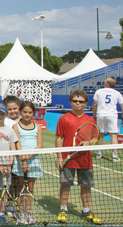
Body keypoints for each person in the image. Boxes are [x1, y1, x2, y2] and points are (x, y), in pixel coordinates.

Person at [55, 90, 102, 225]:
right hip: (67, 159)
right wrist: (59, 157)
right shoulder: (63, 118)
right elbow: (59, 137)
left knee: (86, 186)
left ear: (86, 103)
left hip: (85, 160)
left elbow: (96, 138)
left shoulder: (90, 120)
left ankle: (86, 211)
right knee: (65, 185)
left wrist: (89, 143)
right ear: (70, 102)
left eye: (81, 101)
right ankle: (63, 209)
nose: (78, 103)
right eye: (75, 101)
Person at [11, 101, 43, 225]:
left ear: (33, 113)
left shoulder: (38, 127)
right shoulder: (16, 126)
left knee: (30, 188)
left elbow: (39, 145)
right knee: (20, 188)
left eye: (30, 112)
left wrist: (28, 157)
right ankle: (21, 213)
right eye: (25, 112)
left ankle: (27, 212)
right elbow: (17, 143)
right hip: (20, 160)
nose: (27, 114)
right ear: (20, 112)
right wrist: (23, 159)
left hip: (33, 161)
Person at [92, 78, 123, 161]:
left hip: (100, 115)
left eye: (105, 81)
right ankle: (114, 156)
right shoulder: (117, 93)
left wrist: (94, 115)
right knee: (113, 135)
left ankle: (99, 153)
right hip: (112, 115)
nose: (104, 81)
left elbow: (95, 104)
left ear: (107, 84)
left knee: (100, 134)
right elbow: (122, 105)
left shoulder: (99, 91)